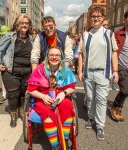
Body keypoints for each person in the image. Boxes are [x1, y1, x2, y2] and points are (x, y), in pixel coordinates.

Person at [78, 6, 119, 140]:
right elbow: (80, 55)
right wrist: (79, 70)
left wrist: (115, 71)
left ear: (103, 18)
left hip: (103, 73)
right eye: (93, 16)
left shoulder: (109, 34)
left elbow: (114, 53)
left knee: (101, 99)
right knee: (90, 97)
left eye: (98, 16)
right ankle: (91, 118)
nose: (96, 19)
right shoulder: (85, 35)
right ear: (90, 18)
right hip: (88, 73)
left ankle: (100, 125)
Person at [27, 46, 77, 150]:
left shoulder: (65, 69)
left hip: (59, 97)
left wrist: (63, 93)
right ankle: (55, 145)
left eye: (57, 55)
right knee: (47, 111)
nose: (54, 57)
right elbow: (31, 90)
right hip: (42, 98)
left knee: (68, 105)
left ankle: (65, 138)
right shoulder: (39, 69)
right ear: (47, 57)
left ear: (61, 57)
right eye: (51, 55)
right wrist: (43, 96)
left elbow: (72, 87)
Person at [0, 14, 33, 127]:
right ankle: (13, 114)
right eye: (22, 23)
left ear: (29, 25)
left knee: (23, 93)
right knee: (12, 94)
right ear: (17, 24)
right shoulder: (10, 36)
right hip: (11, 71)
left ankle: (21, 110)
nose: (24, 25)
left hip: (27, 71)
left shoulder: (31, 38)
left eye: (26, 23)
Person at [110, 11, 128, 122]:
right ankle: (115, 107)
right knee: (125, 90)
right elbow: (113, 51)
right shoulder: (117, 33)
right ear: (125, 20)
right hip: (121, 65)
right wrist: (113, 68)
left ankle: (118, 107)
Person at [0, 25, 10, 105]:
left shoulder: (10, 37)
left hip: (9, 61)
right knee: (3, 78)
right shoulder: (5, 38)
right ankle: (4, 95)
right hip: (4, 61)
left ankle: (5, 95)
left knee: (5, 79)